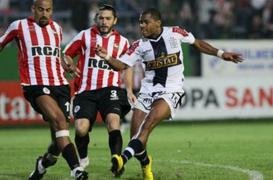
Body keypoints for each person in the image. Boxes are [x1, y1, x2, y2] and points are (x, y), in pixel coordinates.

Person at [95, 8, 243, 180]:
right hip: (147, 92)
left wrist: (221, 53)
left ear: (158, 23)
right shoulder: (139, 45)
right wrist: (106, 57)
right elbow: (121, 65)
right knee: (136, 137)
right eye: (140, 22)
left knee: (148, 124)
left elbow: (197, 43)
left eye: (145, 22)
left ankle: (122, 159)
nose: (141, 25)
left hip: (171, 90)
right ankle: (145, 164)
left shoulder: (175, 33)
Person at [0, 0, 88, 179]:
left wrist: (67, 65)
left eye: (48, 10)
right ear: (33, 9)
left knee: (59, 138)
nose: (44, 14)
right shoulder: (19, 26)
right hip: (36, 85)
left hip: (61, 85)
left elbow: (56, 56)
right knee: (59, 120)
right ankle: (76, 170)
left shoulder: (56, 28)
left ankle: (42, 165)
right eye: (41, 10)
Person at [62, 4, 131, 173]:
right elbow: (66, 54)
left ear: (115, 20)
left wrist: (128, 90)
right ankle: (83, 158)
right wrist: (69, 66)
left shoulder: (122, 42)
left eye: (108, 18)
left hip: (110, 89)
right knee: (80, 128)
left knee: (113, 122)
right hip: (86, 90)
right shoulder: (85, 36)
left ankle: (117, 162)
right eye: (101, 18)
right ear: (96, 19)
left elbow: (125, 66)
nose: (104, 21)